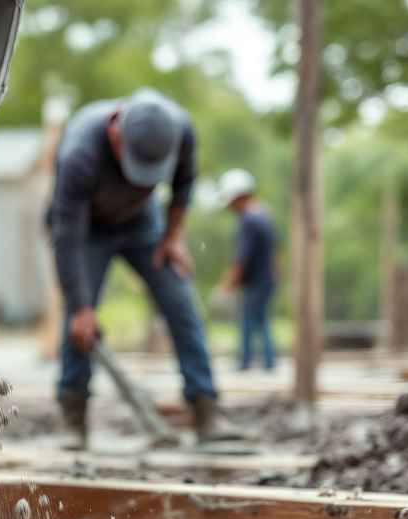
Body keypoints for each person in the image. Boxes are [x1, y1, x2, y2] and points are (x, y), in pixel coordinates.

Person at [48, 88, 240, 448]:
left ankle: (206, 409)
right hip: (87, 230)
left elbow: (184, 184)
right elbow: (67, 237)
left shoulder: (180, 129)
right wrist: (81, 304)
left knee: (182, 303)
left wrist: (171, 238)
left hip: (144, 225)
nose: (142, 179)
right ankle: (73, 416)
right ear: (115, 134)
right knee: (79, 320)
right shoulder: (80, 153)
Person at [213, 169, 277, 372]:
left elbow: (241, 259)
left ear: (238, 196)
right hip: (267, 280)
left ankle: (245, 365)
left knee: (248, 323)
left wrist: (227, 285)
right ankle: (268, 364)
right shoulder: (265, 215)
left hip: (256, 281)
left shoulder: (249, 220)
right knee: (262, 322)